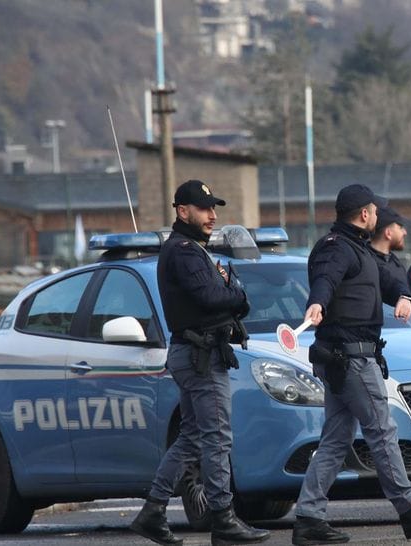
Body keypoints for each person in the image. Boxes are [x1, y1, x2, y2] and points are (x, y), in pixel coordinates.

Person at [292, 184, 411, 545]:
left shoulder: (360, 251)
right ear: (364, 214)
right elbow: (325, 280)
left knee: (336, 440)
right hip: (349, 357)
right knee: (381, 432)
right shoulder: (336, 249)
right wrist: (316, 303)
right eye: (376, 210)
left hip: (351, 357)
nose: (380, 216)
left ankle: (308, 518)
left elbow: (389, 279)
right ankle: (410, 509)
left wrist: (404, 296)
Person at [130, 179, 269, 545]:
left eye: (214, 208)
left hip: (195, 353)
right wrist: (235, 294)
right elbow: (211, 297)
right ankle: (223, 518)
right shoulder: (185, 251)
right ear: (182, 211)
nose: (212, 215)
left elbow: (214, 297)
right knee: (217, 437)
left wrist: (229, 294)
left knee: (192, 436)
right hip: (200, 356)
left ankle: (152, 511)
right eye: (204, 208)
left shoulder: (188, 249)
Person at [369, 205, 409, 281]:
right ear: (388, 233)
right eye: (400, 227)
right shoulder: (368, 265)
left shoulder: (395, 263)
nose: (405, 232)